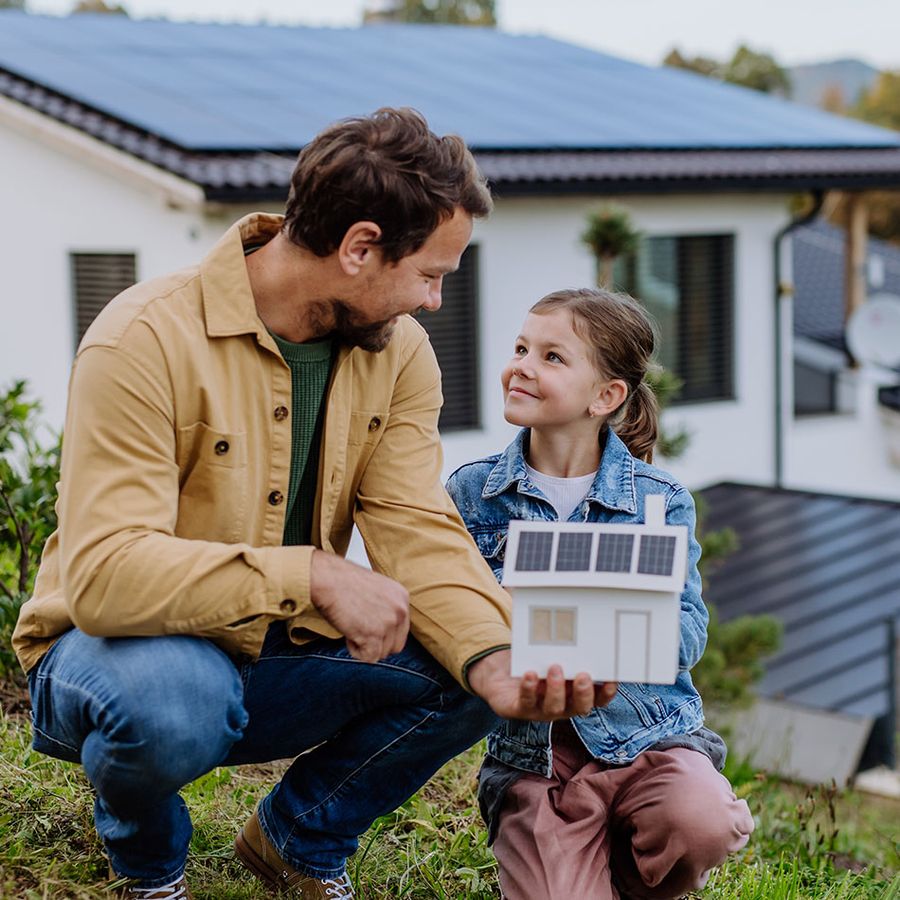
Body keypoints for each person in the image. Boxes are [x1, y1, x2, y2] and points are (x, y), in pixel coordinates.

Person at [12, 109, 610, 900]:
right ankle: (150, 869)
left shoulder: (399, 354)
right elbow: (105, 579)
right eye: (429, 274)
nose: (435, 300)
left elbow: (416, 527)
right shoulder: (143, 338)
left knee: (470, 651)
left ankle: (299, 841)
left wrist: (497, 659)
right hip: (115, 658)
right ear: (360, 248)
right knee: (174, 699)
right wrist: (314, 575)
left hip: (270, 657)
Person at [445, 287, 755, 900]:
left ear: (606, 397)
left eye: (552, 357)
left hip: (649, 741)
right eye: (521, 348)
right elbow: (451, 615)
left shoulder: (658, 501)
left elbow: (689, 631)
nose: (522, 366)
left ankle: (634, 877)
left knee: (702, 822)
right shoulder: (473, 493)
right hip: (536, 760)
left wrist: (600, 621)